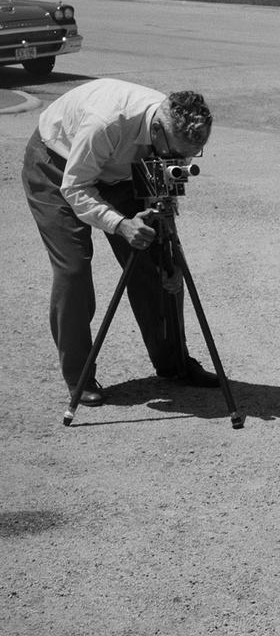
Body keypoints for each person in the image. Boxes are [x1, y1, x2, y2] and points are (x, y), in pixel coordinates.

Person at [23, 78, 221, 406]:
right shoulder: (107, 122)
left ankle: (174, 364)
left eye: (189, 156)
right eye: (175, 154)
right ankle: (79, 377)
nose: (180, 161)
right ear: (156, 130)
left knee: (161, 263)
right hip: (58, 168)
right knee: (73, 269)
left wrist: (167, 247)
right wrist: (121, 224)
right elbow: (76, 188)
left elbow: (165, 194)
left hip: (122, 173)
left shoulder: (173, 134)